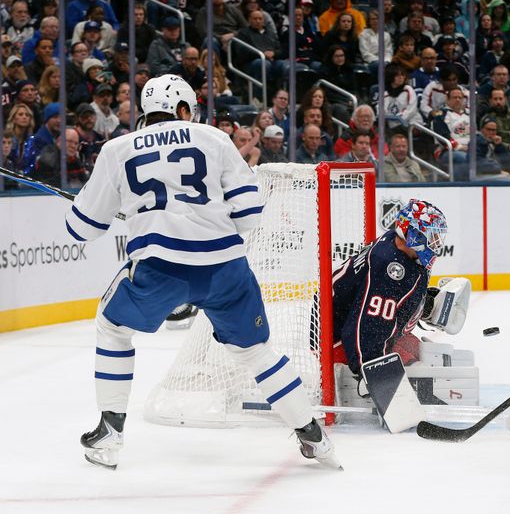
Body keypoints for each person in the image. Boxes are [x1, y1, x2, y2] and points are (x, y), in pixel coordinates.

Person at [67, 74, 340, 470]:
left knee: (112, 328)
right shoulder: (212, 138)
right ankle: (314, 436)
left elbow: (82, 229)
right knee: (256, 352)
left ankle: (110, 431)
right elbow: (249, 213)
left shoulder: (117, 149)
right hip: (225, 269)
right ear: (183, 110)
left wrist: (98, 206)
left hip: (160, 269)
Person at [331, 199, 448, 375]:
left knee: (424, 355)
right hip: (335, 341)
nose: (437, 242)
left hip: (347, 325)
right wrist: (372, 371)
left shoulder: (398, 248)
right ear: (414, 234)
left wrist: (420, 304)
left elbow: (390, 302)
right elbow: (369, 327)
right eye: (433, 236)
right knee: (414, 369)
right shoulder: (389, 267)